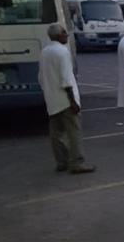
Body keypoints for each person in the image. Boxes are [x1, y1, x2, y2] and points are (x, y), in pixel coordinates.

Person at [38, 24, 95, 174]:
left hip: (52, 98)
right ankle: (76, 162)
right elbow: (66, 80)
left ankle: (61, 161)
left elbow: (41, 78)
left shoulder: (45, 52)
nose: (67, 35)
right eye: (64, 33)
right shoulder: (62, 52)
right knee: (73, 132)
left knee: (56, 133)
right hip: (65, 100)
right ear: (58, 36)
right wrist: (73, 101)